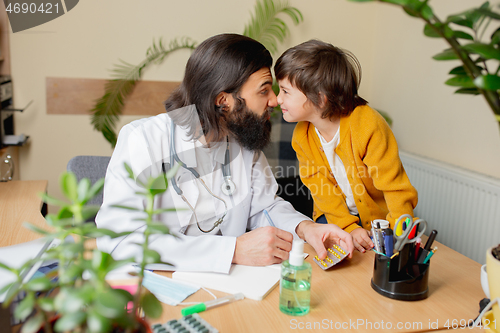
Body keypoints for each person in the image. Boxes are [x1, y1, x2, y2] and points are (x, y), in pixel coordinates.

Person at [96, 34, 354, 273]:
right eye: (264, 90)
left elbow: (265, 207)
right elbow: (120, 240)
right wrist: (233, 251)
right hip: (163, 285)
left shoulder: (242, 140)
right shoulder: (143, 141)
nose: (274, 100)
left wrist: (306, 228)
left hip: (235, 284)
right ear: (223, 101)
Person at [274, 40, 418, 253]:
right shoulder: (301, 136)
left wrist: (400, 235)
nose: (278, 99)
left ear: (320, 99)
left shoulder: (368, 125)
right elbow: (321, 190)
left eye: (285, 91)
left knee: (383, 260)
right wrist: (348, 227)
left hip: (379, 219)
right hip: (334, 215)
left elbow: (395, 188)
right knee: (334, 259)